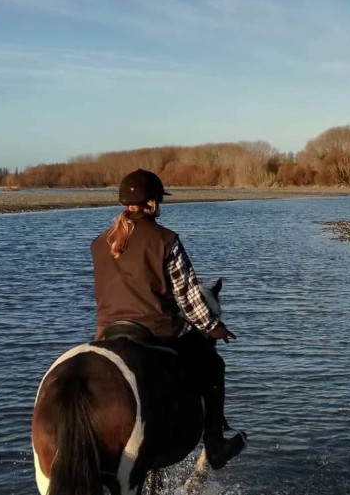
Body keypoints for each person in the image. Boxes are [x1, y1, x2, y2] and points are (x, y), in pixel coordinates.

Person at [90, 168, 246, 469]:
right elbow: (188, 295)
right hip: (156, 329)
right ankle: (215, 445)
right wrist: (214, 327)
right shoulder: (166, 239)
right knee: (214, 364)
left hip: (107, 330)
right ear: (151, 203)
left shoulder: (100, 243)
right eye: (159, 200)